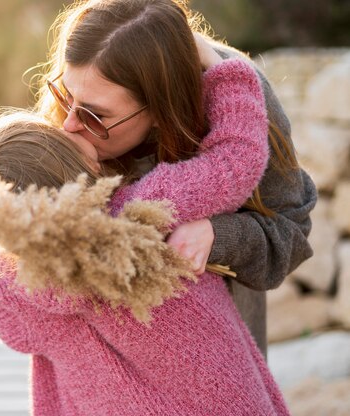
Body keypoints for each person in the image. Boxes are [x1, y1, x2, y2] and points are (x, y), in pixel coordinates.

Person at [0, 53, 289, 413]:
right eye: (58, 135)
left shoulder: (12, 282)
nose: (69, 124)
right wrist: (219, 65)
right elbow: (234, 161)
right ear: (74, 164)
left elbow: (13, 330)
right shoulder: (140, 213)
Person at [34, 0, 317, 356]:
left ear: (160, 109)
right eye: (65, 93)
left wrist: (217, 236)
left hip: (216, 364)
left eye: (95, 115)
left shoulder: (243, 101)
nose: (68, 124)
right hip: (97, 366)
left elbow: (292, 235)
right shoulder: (79, 98)